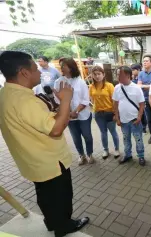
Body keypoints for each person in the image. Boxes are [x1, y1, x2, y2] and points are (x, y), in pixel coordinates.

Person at [0, 51, 89, 237]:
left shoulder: (6, 94)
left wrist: (57, 106)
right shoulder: (24, 100)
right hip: (50, 162)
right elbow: (56, 129)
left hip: (33, 161)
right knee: (61, 197)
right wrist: (66, 100)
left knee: (46, 197)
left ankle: (52, 221)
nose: (40, 72)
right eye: (35, 68)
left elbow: (37, 121)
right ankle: (63, 226)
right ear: (24, 72)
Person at [54, 58, 94, 165]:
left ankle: (90, 154)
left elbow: (85, 100)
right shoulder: (58, 82)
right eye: (61, 66)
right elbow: (57, 100)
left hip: (83, 115)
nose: (61, 68)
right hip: (69, 117)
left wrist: (76, 111)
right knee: (76, 138)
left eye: (63, 66)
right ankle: (81, 155)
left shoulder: (80, 82)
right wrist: (68, 112)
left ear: (71, 67)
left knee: (87, 136)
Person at [113, 66, 146, 166]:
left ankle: (141, 156)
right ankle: (127, 155)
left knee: (138, 139)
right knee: (126, 139)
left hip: (135, 120)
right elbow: (115, 103)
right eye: (117, 74)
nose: (118, 76)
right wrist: (117, 118)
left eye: (120, 74)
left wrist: (139, 117)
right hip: (123, 121)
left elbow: (142, 104)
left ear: (127, 75)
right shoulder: (117, 87)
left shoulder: (136, 88)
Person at [89, 66, 120, 159]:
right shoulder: (91, 86)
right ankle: (105, 150)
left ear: (103, 74)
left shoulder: (109, 85)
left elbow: (115, 101)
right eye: (95, 74)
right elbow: (92, 100)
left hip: (109, 112)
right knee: (103, 132)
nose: (97, 76)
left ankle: (117, 149)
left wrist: (115, 113)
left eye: (99, 74)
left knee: (113, 131)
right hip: (98, 113)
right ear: (92, 76)